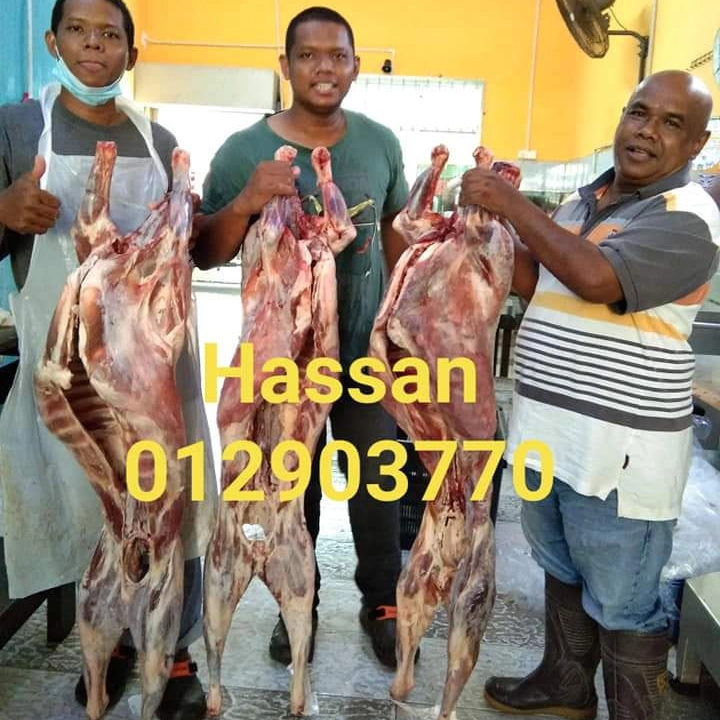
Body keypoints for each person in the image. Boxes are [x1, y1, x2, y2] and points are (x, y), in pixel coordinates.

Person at [458, 70, 720, 720]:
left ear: (697, 143)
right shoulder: (583, 204)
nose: (646, 131)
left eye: (671, 124)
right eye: (639, 112)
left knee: (624, 601)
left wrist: (510, 204)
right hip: (549, 440)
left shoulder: (690, 217)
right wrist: (474, 235)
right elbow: (540, 280)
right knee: (563, 568)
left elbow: (597, 278)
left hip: (619, 457)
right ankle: (564, 686)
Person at [0, 1, 215, 718]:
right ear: (52, 40)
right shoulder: (15, 128)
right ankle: (116, 646)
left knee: (174, 512)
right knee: (92, 513)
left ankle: (173, 654)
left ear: (131, 50)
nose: (94, 46)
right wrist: (3, 212)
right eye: (78, 31)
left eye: (110, 34)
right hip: (71, 372)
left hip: (158, 367)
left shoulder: (160, 139)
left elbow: (192, 250)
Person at [193, 6, 410, 669]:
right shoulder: (243, 151)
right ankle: (299, 603)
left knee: (379, 479)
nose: (324, 67)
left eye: (337, 55)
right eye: (309, 55)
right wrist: (246, 201)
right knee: (294, 484)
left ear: (356, 65)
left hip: (365, 352)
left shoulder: (380, 143)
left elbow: (397, 237)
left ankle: (383, 601)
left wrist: (408, 327)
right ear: (284, 65)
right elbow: (203, 251)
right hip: (284, 359)